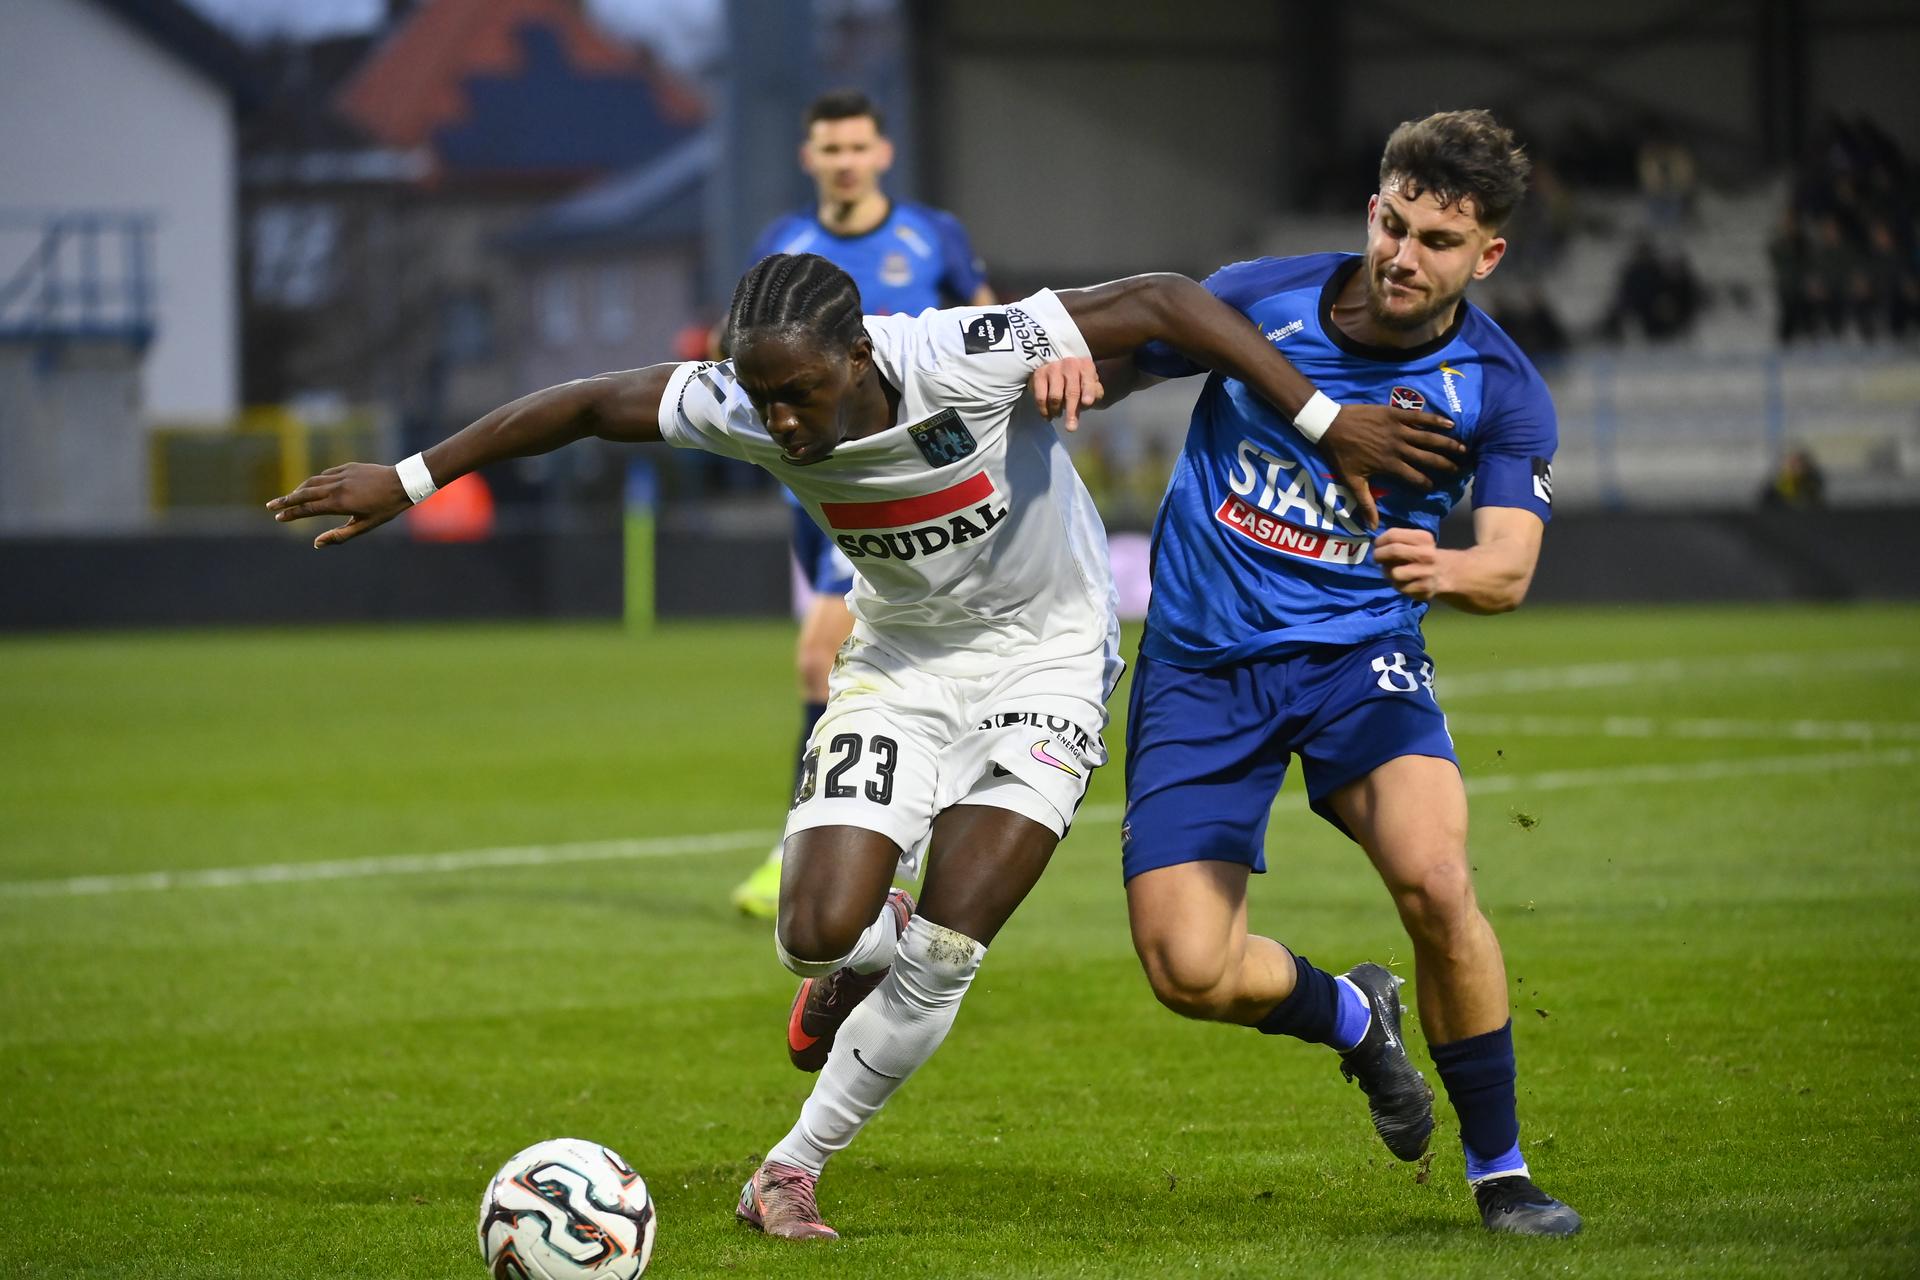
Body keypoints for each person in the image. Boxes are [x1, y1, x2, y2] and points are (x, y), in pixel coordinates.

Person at [267, 252, 1461, 1241]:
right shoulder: (746, 399)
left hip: (1047, 658)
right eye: (760, 397)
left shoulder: (959, 352)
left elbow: (1161, 300)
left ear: (861, 358)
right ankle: (859, 947)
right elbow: (584, 404)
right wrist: (413, 475)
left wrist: (1323, 417)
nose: (778, 421)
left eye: (797, 395)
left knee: (946, 948)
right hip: (898, 666)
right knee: (811, 933)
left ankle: (788, 1170)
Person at [1032, 108, 1582, 1236]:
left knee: (1436, 881)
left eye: (1437, 240)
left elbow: (1512, 568)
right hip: (1199, 666)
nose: (1402, 254)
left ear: (1488, 257)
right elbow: (1129, 357)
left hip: (1359, 659)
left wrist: (1451, 563)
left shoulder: (1499, 387)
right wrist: (1072, 379)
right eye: (1393, 221)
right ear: (1371, 207)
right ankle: (1350, 1016)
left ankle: (1503, 1171)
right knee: (1188, 967)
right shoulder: (1258, 297)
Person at [730, 89, 999, 919]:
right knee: (872, 655)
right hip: (823, 477)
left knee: (824, 658)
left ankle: (811, 851)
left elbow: (986, 323)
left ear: (881, 154)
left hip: (909, 474)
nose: (844, 161)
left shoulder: (931, 235)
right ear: (810, 159)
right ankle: (876, 837)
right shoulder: (785, 245)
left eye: (857, 147)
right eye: (829, 148)